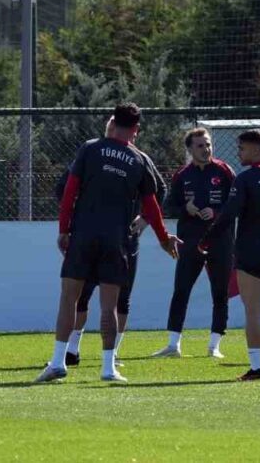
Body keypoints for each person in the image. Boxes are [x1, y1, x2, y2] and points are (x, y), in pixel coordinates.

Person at [36, 103, 179, 384]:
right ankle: (107, 368)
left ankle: (58, 362)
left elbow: (69, 192)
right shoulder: (139, 160)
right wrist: (163, 238)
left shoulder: (90, 149)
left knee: (69, 299)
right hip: (116, 240)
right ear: (136, 129)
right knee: (109, 306)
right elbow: (152, 206)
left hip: (83, 235)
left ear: (113, 123)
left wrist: (63, 230)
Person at [200, 128, 260, 382]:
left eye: (242, 148)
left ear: (256, 149)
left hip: (251, 256)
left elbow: (228, 214)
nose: (239, 153)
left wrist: (207, 239)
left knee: (253, 313)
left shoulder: (245, 179)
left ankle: (256, 369)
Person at [153, 128, 236, 359]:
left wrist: (216, 212)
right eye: (200, 145)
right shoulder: (182, 175)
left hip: (220, 241)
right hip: (189, 241)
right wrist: (185, 208)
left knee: (220, 292)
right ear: (190, 149)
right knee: (181, 290)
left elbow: (237, 203)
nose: (205, 149)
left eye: (208, 144)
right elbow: (169, 206)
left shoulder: (225, 171)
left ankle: (214, 346)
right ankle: (173, 345)